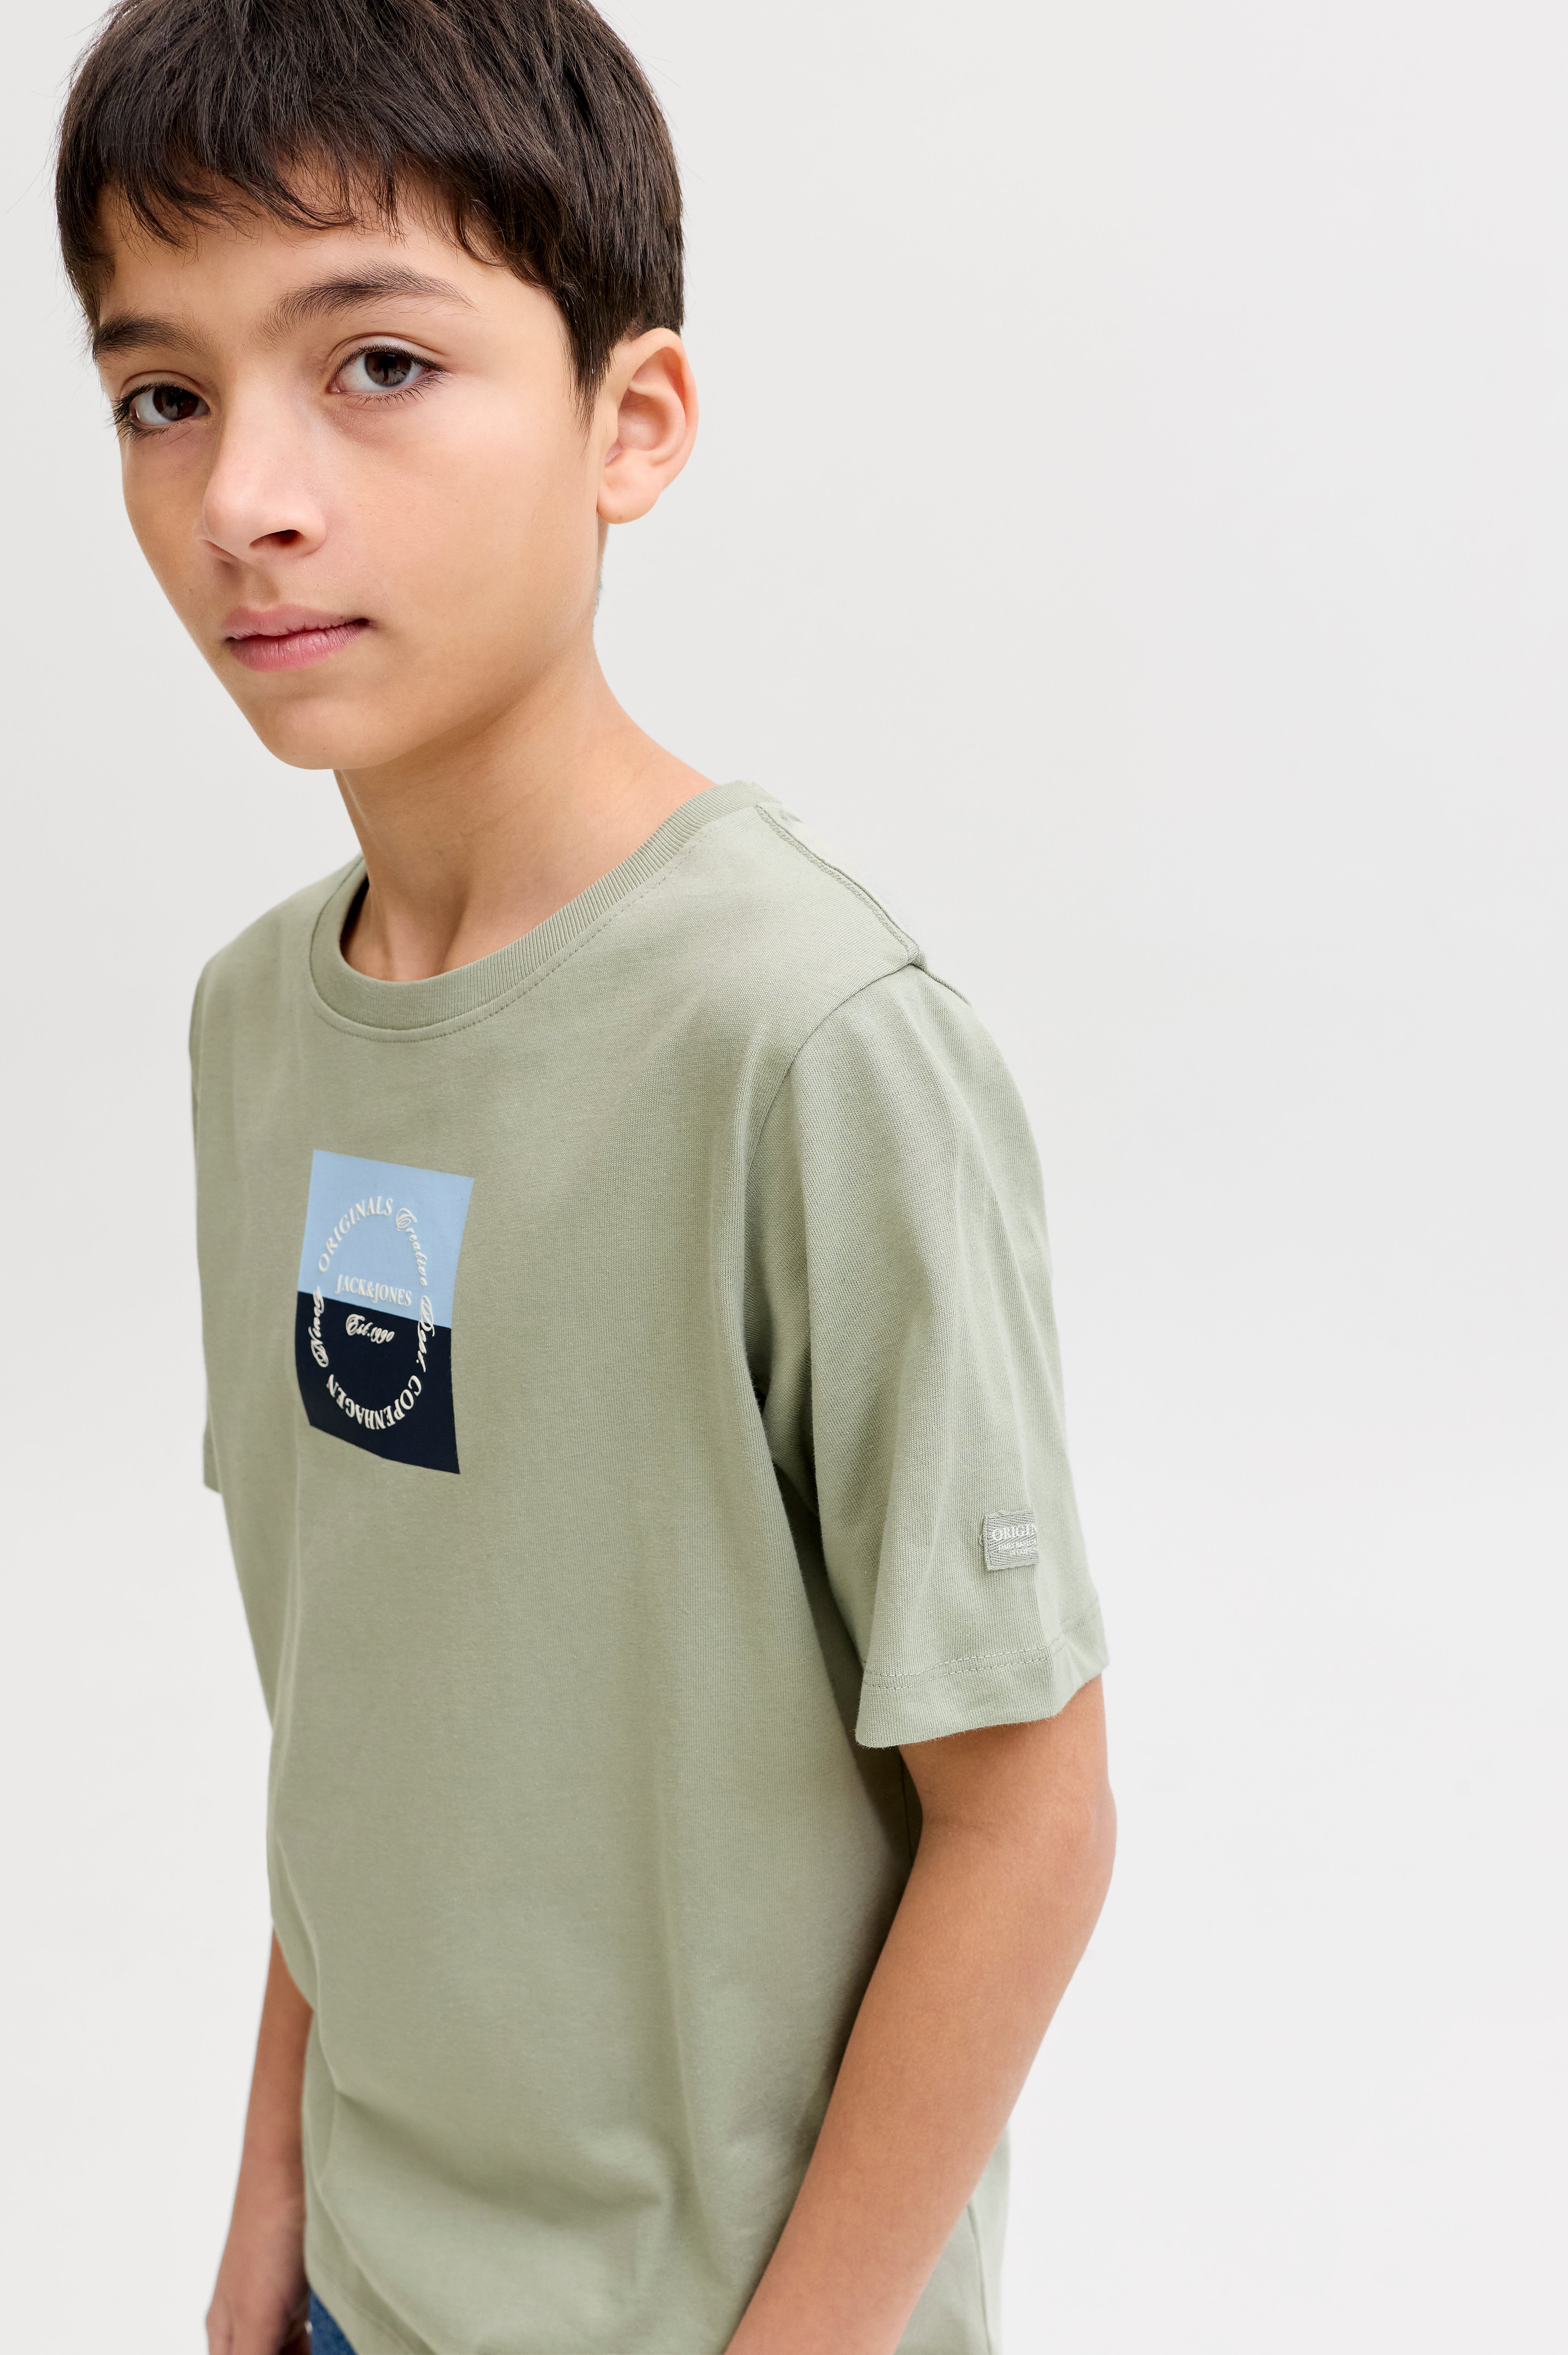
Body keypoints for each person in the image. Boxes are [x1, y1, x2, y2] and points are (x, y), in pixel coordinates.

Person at [56, 4, 1115, 2350]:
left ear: (631, 421)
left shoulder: (806, 1038)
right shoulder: (255, 1029)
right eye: (164, 395)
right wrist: (268, 2215)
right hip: (358, 2293)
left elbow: (1029, 1820)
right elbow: (366, 1706)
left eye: (379, 364)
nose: (246, 498)